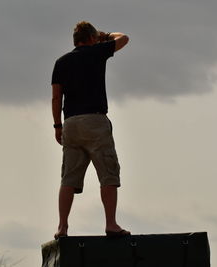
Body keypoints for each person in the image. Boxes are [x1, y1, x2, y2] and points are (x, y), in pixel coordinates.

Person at [51, 21, 130, 239]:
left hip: (71, 123)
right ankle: (111, 224)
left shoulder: (61, 62)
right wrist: (105, 36)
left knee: (68, 178)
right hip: (95, 121)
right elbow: (123, 38)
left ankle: (62, 227)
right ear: (91, 39)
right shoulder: (97, 52)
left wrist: (57, 125)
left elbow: (57, 97)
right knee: (108, 174)